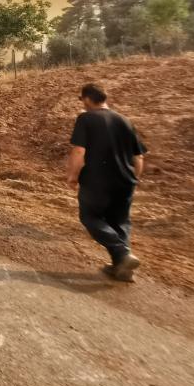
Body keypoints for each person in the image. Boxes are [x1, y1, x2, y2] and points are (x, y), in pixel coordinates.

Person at [66, 83, 147, 282]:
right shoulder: (125, 120)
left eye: (82, 100)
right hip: (125, 181)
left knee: (90, 216)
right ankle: (123, 269)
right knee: (120, 222)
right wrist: (134, 179)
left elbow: (78, 151)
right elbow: (138, 158)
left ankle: (121, 252)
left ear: (86, 98)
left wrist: (73, 175)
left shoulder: (86, 118)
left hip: (97, 182)